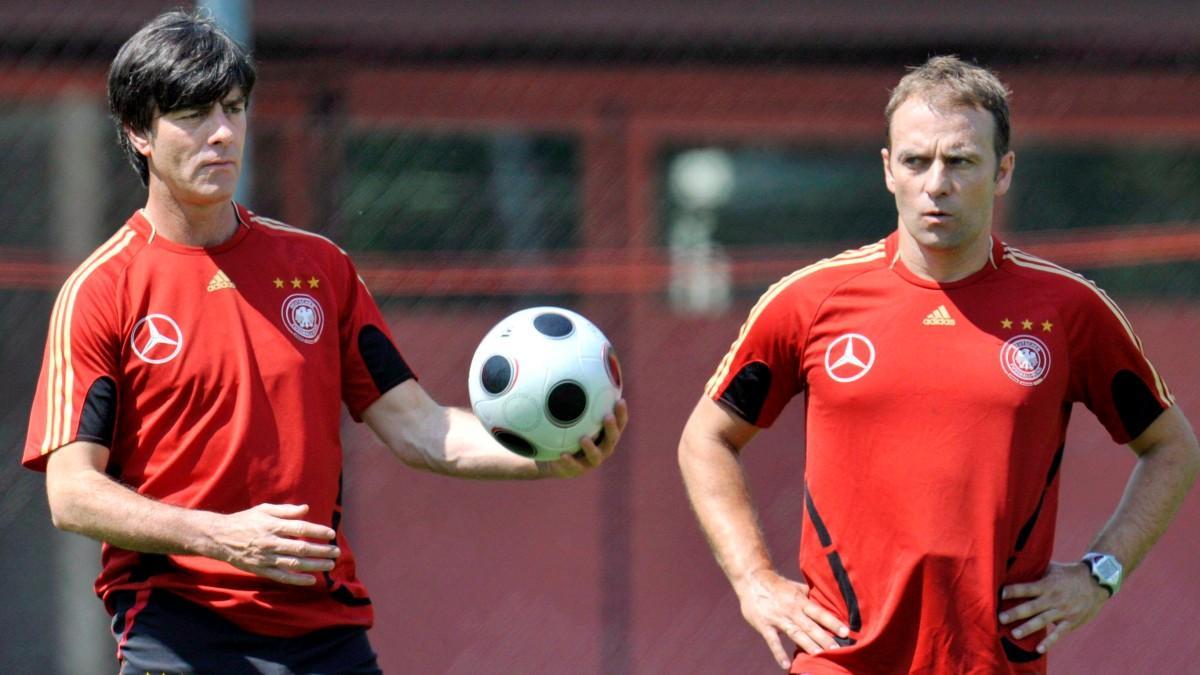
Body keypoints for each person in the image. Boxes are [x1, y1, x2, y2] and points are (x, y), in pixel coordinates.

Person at [22, 10, 627, 675]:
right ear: (139, 131)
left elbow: (421, 427)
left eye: (233, 108)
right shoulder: (102, 291)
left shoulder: (320, 268)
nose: (223, 133)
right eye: (193, 114)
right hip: (179, 638)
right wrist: (222, 537)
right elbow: (71, 492)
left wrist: (545, 457)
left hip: (326, 636)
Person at [678, 55, 1200, 674]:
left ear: (1002, 172)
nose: (936, 183)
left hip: (993, 662)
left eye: (961, 161)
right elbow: (706, 438)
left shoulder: (1069, 309)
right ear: (887, 170)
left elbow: (1171, 446)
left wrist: (1100, 573)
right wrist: (753, 579)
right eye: (916, 161)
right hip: (840, 660)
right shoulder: (811, 300)